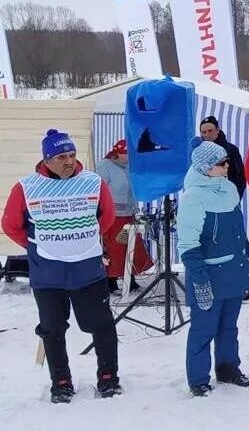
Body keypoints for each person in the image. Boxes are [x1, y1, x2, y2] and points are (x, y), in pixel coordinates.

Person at [1, 129, 122, 403]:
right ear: (47, 159)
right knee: (52, 329)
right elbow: (10, 225)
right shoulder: (26, 187)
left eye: (71, 154)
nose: (68, 161)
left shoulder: (93, 182)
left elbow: (108, 216)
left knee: (101, 325)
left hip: (88, 271)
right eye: (60, 156)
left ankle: (108, 377)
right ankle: (61, 381)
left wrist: (84, 240)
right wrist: (37, 246)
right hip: (48, 275)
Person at [177, 141, 249, 397]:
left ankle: (228, 367)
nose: (227, 166)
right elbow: (188, 244)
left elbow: (237, 230)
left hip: (233, 270)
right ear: (206, 168)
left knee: (228, 327)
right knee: (203, 329)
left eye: (226, 161)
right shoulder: (192, 198)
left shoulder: (230, 189)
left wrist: (247, 256)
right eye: (221, 163)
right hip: (209, 275)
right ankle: (198, 379)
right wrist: (199, 278)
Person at [95, 139, 153, 293]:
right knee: (116, 248)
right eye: (124, 153)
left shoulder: (129, 167)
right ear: (117, 153)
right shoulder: (104, 166)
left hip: (129, 213)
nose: (127, 156)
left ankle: (130, 277)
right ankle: (110, 280)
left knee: (132, 246)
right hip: (113, 216)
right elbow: (98, 190)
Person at [200, 115, 246, 198]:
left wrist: (235, 198)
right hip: (204, 201)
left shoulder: (231, 149)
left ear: (217, 130)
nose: (207, 134)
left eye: (210, 130)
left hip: (226, 198)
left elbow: (240, 176)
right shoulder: (197, 152)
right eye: (204, 132)